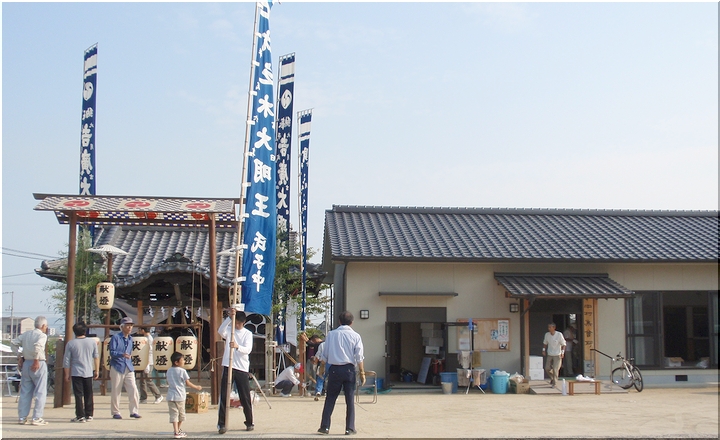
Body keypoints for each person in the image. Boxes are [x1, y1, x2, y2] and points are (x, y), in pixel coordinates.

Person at [318, 311, 365, 436]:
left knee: (330, 398)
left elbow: (325, 353)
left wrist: (322, 368)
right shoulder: (356, 336)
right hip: (349, 370)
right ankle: (349, 428)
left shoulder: (331, 334)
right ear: (352, 322)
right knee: (350, 400)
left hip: (334, 369)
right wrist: (362, 373)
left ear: (339, 321)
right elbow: (359, 356)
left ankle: (325, 427)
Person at [216, 308, 254, 434]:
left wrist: (237, 347)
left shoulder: (247, 334)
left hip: (241, 368)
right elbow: (220, 330)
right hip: (228, 365)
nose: (237, 325)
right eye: (235, 322)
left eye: (239, 323)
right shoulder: (229, 330)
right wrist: (229, 317)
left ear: (243, 322)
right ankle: (221, 424)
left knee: (245, 396)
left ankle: (249, 422)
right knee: (224, 395)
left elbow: (248, 349)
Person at [11, 316, 49, 426]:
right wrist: (36, 360)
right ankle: (37, 417)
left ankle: (22, 417)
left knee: (25, 391)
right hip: (38, 363)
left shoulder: (26, 334)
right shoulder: (42, 335)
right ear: (43, 326)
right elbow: (38, 346)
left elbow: (13, 343)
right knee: (40, 391)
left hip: (26, 362)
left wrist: (19, 355)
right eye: (46, 326)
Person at [63, 321, 100, 423]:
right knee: (89, 393)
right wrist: (96, 370)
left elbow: (66, 360)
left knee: (78, 395)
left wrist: (67, 374)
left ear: (74, 331)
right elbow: (96, 357)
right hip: (88, 371)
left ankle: (80, 415)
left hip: (76, 372)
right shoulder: (92, 342)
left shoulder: (71, 343)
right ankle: (89, 414)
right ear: (85, 331)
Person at [109, 316, 141, 419]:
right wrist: (122, 354)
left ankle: (134, 411)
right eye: (127, 325)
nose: (130, 328)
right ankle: (115, 412)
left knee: (133, 389)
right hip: (117, 366)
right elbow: (112, 352)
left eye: (131, 325)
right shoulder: (115, 337)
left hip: (128, 366)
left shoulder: (131, 339)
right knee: (116, 390)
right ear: (122, 327)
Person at [166, 352, 202, 439]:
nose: (184, 361)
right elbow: (188, 383)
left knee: (174, 414)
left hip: (170, 396)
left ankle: (176, 431)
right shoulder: (182, 371)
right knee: (181, 415)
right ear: (176, 362)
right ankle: (177, 431)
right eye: (182, 360)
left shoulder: (169, 370)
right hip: (180, 396)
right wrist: (196, 387)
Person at [136, 326, 163, 404]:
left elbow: (149, 351)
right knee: (142, 380)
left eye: (140, 329)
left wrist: (147, 363)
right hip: (143, 361)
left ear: (143, 330)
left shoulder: (149, 339)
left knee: (148, 380)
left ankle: (158, 395)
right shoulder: (145, 338)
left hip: (148, 362)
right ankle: (143, 398)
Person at [542, 323, 567, 387]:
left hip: (557, 354)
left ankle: (554, 383)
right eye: (548, 327)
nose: (549, 328)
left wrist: (562, 352)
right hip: (550, 353)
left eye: (550, 327)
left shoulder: (559, 334)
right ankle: (552, 378)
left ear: (554, 328)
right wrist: (543, 350)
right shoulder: (547, 334)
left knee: (555, 369)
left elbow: (563, 344)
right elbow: (545, 343)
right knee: (547, 368)